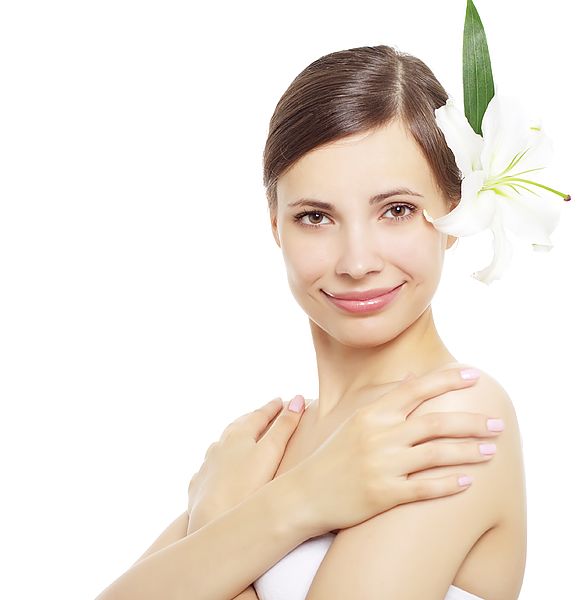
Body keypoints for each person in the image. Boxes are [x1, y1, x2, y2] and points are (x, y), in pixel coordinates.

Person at [96, 45, 525, 600]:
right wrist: (297, 500)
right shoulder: (270, 440)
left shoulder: (453, 415)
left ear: (453, 209)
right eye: (315, 217)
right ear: (276, 224)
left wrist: (224, 518)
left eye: (395, 210)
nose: (356, 261)